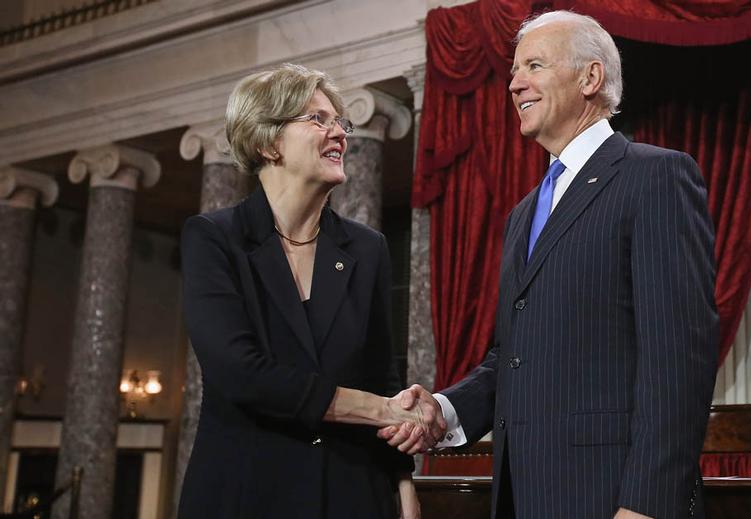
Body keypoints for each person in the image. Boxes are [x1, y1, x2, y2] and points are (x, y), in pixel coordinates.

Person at [382, 11, 719, 519]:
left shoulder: (656, 178)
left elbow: (677, 359)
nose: (515, 83)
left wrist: (647, 504)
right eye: (515, 70)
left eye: (534, 66)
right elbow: (513, 357)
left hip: (612, 497)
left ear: (590, 78)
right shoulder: (523, 214)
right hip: (524, 495)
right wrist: (445, 409)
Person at [178, 63, 442, 519]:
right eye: (318, 119)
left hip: (351, 490)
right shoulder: (214, 238)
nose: (339, 133)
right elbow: (240, 373)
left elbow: (380, 374)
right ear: (266, 141)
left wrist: (401, 481)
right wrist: (382, 410)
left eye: (340, 122)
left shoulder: (367, 247)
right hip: (245, 490)